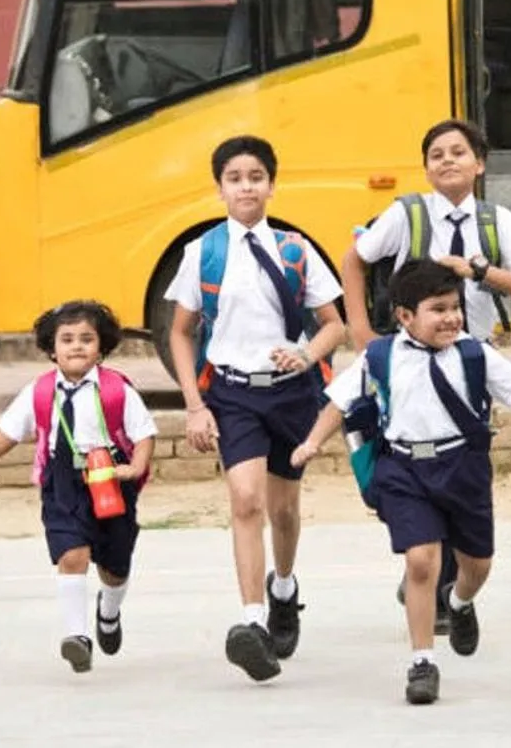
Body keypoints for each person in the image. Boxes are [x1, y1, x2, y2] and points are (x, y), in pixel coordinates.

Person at [291, 260, 511, 705]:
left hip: (463, 467)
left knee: (478, 564)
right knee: (420, 561)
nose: (451, 318)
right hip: (405, 469)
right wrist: (311, 442)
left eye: (455, 307)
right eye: (438, 309)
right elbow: (339, 403)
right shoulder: (380, 357)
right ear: (404, 316)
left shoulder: (474, 354)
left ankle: (460, 602)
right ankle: (422, 662)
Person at [341, 118, 511, 623]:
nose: (448, 160)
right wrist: (362, 332)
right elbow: (354, 260)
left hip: (470, 366)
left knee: (461, 466)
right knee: (404, 463)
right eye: (437, 154)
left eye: (459, 152)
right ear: (426, 168)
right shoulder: (406, 214)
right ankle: (425, 565)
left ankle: (443, 586)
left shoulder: (498, 221)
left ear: (480, 164)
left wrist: (478, 271)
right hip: (410, 363)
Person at [166, 135, 347, 682]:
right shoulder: (202, 252)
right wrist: (195, 405)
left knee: (283, 510)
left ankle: (284, 591)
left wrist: (305, 355)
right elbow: (180, 332)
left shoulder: (296, 249)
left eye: (256, 177)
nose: (246, 187)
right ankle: (252, 622)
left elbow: (334, 325)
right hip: (233, 393)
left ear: (271, 185)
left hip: (292, 393)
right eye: (235, 178)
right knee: (246, 501)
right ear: (219, 188)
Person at [0, 300, 158, 674]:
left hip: (110, 479)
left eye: (86, 339)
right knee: (71, 554)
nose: (76, 346)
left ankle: (109, 612)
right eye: (67, 339)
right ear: (52, 349)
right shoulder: (39, 392)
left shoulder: (116, 390)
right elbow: (8, 433)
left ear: (101, 347)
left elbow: (144, 434)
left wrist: (136, 467)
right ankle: (77, 636)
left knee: (115, 566)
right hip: (63, 481)